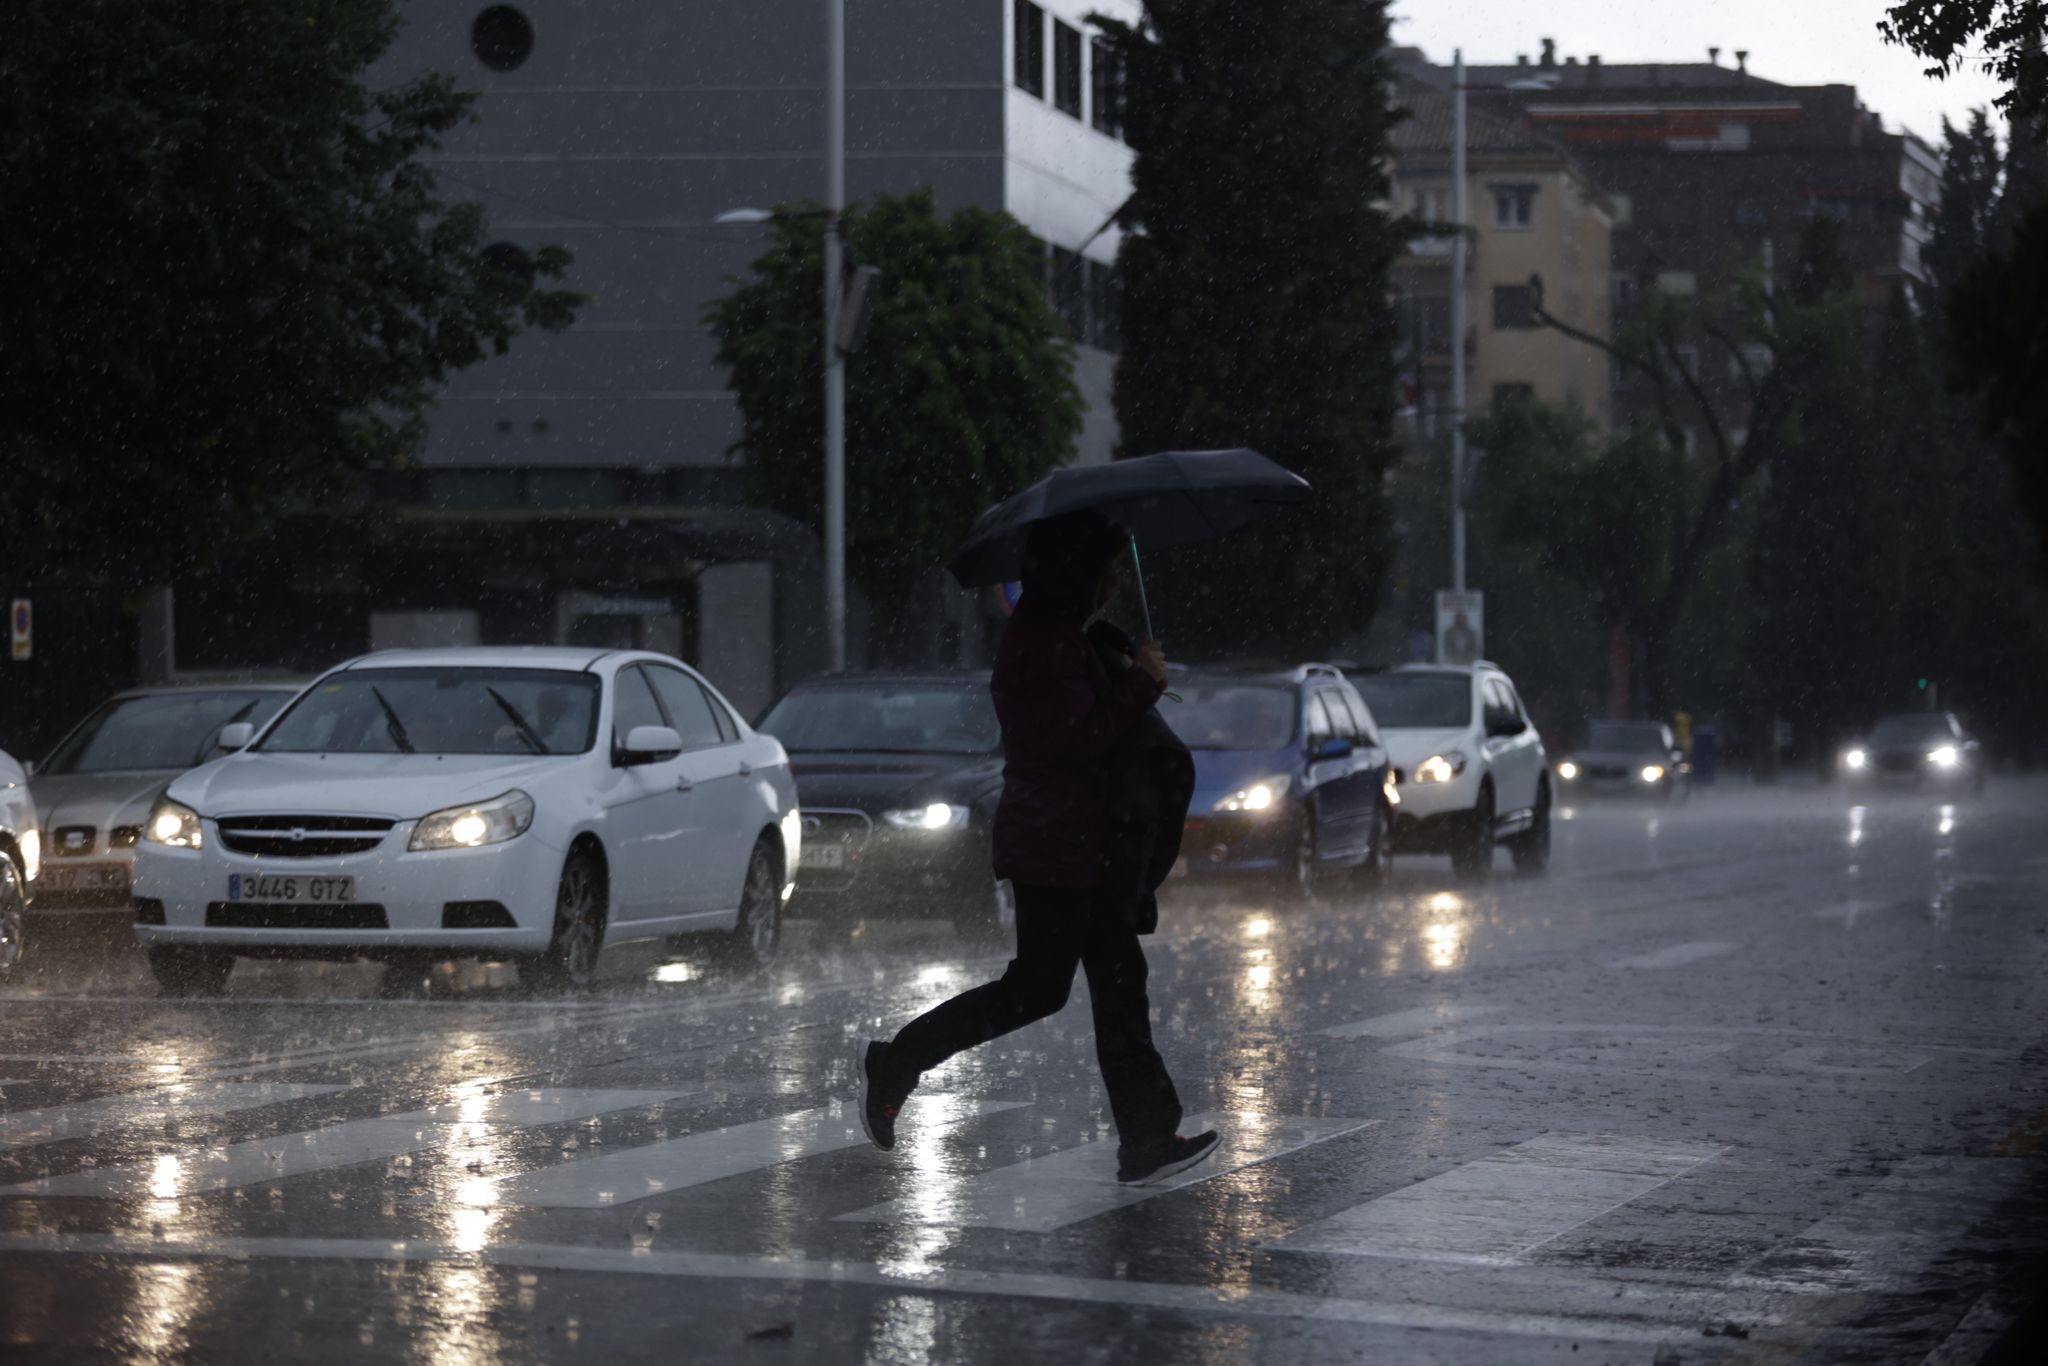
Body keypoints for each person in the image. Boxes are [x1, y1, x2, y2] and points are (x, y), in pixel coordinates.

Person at [855, 509, 1220, 1186]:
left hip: (1072, 842)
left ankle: (1145, 1136)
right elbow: (1077, 742)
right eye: (1106, 568)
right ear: (1078, 569)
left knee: (1095, 985)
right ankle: (899, 1061)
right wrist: (1141, 682)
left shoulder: (1056, 636)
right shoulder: (1045, 644)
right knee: (1046, 988)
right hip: (1059, 844)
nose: (1114, 581)